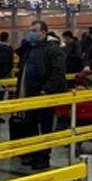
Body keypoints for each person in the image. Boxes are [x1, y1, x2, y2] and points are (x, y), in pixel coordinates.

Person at [17, 21, 67, 170]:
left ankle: (44, 157)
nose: (31, 33)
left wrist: (47, 90)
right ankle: (32, 153)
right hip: (30, 94)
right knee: (30, 126)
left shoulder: (53, 50)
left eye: (35, 30)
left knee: (45, 127)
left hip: (45, 95)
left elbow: (58, 72)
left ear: (44, 33)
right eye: (30, 30)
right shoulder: (29, 49)